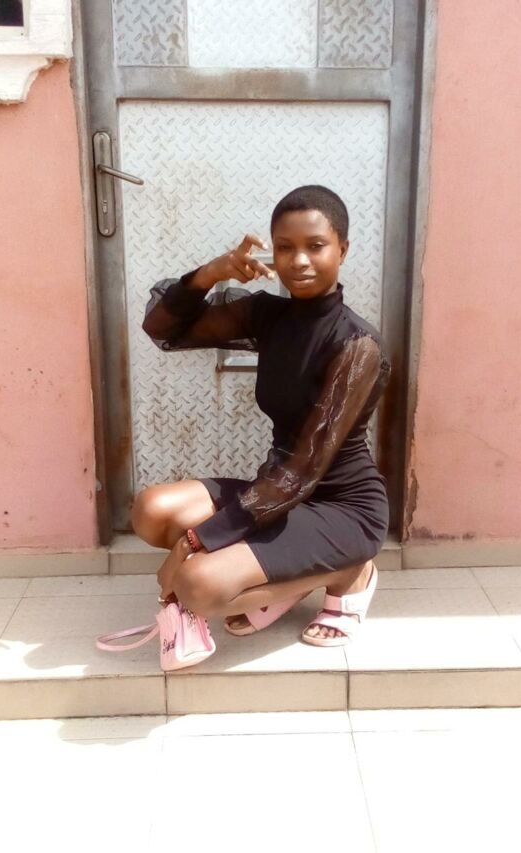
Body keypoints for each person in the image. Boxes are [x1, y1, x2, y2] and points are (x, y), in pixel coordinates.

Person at [133, 185, 391, 647]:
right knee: (152, 511)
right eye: (285, 247)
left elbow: (303, 472)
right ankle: (285, 573)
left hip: (341, 508)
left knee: (197, 584)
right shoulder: (267, 315)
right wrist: (211, 273)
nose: (299, 260)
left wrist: (195, 542)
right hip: (278, 495)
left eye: (316, 246)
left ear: (343, 250)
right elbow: (162, 328)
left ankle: (348, 571)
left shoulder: (357, 346)